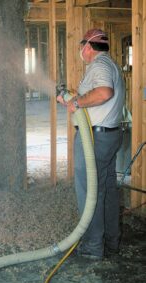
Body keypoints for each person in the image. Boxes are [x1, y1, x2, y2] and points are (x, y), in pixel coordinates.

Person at [57, 28, 125, 259]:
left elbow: (104, 92)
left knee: (90, 192)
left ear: (88, 46)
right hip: (109, 135)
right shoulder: (111, 64)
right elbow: (97, 95)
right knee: (106, 190)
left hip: (95, 139)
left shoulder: (99, 66)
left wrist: (77, 102)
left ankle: (93, 247)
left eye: (81, 46)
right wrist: (74, 98)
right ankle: (111, 243)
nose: (80, 51)